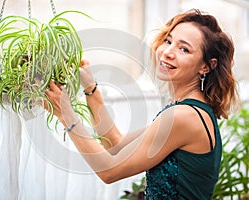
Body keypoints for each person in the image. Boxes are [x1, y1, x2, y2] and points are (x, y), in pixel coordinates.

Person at [43, 9, 239, 199]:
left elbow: (110, 171)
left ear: (206, 66)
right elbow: (116, 145)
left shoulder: (183, 116)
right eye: (169, 41)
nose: (168, 52)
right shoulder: (189, 110)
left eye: (184, 49)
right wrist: (90, 89)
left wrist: (65, 113)